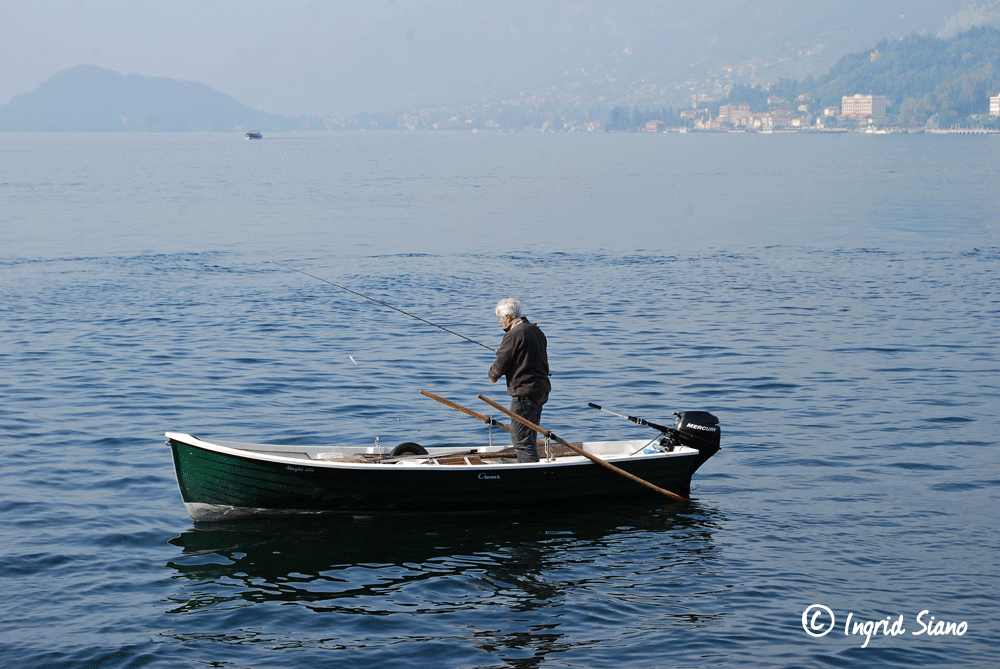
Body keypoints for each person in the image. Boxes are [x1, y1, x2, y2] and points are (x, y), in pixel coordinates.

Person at [488, 298, 550, 463]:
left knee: (520, 439)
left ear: (508, 318)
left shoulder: (513, 335)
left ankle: (532, 474)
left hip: (525, 393)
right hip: (541, 390)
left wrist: (492, 375)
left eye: (500, 318)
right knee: (529, 436)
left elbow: (500, 365)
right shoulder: (536, 331)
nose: (499, 322)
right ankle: (532, 466)